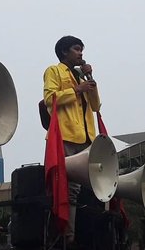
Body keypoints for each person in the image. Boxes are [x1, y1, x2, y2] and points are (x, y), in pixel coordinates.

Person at [43, 35, 101, 245]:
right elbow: (50, 99)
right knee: (67, 187)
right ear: (64, 52)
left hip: (86, 138)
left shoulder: (80, 76)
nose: (81, 53)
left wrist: (89, 81)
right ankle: (66, 236)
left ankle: (78, 236)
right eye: (76, 49)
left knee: (84, 189)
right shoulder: (54, 71)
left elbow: (96, 106)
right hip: (66, 135)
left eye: (81, 50)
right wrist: (76, 90)